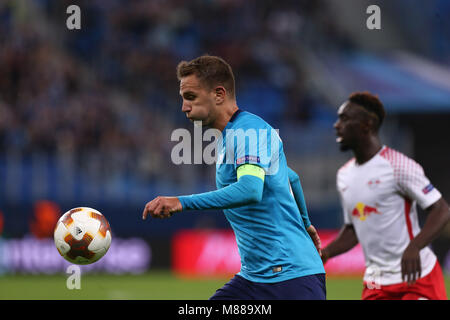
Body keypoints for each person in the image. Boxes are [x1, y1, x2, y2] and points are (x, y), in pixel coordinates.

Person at [142, 55, 325, 300]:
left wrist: (181, 202)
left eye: (191, 97)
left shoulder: (248, 131)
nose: (184, 107)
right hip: (254, 279)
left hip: (290, 279)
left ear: (219, 94)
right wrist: (306, 223)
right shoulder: (233, 136)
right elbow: (291, 177)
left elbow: (250, 189)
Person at [321, 91, 450, 300]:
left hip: (416, 277)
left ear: (366, 125)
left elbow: (441, 209)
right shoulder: (344, 175)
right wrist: (326, 253)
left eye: (344, 119)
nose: (337, 125)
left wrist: (415, 246)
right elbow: (353, 229)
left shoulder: (398, 165)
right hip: (376, 282)